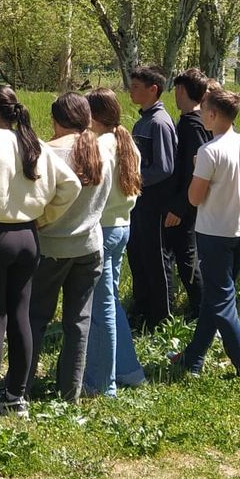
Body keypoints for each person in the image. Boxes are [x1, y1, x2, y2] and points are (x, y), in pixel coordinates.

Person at [0, 85, 81, 421]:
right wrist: (43, 217)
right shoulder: (33, 142)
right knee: (21, 316)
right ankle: (16, 396)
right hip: (27, 236)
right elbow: (71, 185)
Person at [171, 87, 240, 384]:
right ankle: (194, 357)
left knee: (222, 302)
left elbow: (195, 199)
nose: (200, 117)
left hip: (215, 234)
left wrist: (199, 171)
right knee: (217, 297)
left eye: (202, 112)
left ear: (212, 115)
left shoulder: (209, 152)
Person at [27, 92, 105, 402]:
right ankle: (69, 392)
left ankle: (21, 385)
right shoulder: (102, 150)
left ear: (56, 120)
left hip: (50, 247)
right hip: (89, 246)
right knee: (78, 323)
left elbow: (36, 201)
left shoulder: (47, 152)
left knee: (35, 318)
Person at [81, 88, 146, 397]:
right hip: (123, 226)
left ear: (92, 116)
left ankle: (101, 382)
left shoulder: (101, 146)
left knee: (101, 307)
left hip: (104, 230)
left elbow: (95, 192)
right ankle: (129, 370)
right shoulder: (126, 140)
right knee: (111, 302)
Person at [126, 65, 177, 331]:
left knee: (156, 260)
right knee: (138, 256)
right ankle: (142, 308)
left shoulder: (158, 122)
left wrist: (133, 179)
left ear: (153, 89)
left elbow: (165, 167)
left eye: (136, 86)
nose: (130, 90)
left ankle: (162, 318)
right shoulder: (143, 120)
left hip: (154, 204)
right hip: (140, 204)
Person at [166, 68, 212, 317]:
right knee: (184, 256)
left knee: (187, 258)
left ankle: (202, 309)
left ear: (182, 90)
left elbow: (194, 171)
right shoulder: (194, 121)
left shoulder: (192, 126)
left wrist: (179, 207)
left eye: (176, 89)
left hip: (186, 205)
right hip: (187, 202)